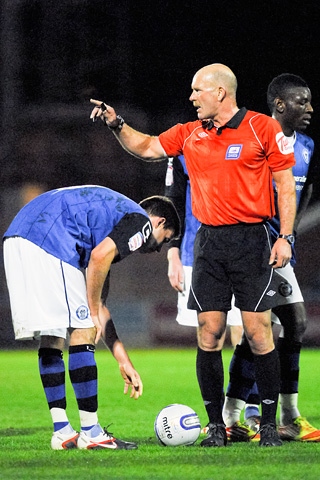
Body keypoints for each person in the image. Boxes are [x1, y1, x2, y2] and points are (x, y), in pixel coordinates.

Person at [89, 63, 297, 447]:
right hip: (209, 244)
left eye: (197, 90)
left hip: (252, 241)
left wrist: (285, 237)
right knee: (209, 333)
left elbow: (285, 186)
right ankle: (216, 425)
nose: (191, 97)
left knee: (258, 332)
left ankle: (268, 424)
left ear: (220, 92)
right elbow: (147, 145)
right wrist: (117, 124)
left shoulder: (262, 128)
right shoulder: (190, 134)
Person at [3, 185, 180, 450]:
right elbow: (98, 260)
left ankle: (62, 431)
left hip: (19, 233)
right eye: (165, 239)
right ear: (159, 222)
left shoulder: (109, 224)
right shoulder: (140, 221)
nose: (158, 249)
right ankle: (92, 432)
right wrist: (92, 312)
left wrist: (123, 361)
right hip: (50, 236)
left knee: (54, 334)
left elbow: (100, 302)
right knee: (83, 329)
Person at [223, 73, 320, 442]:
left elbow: (303, 189)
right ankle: (261, 415)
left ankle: (266, 415)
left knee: (288, 326)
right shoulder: (254, 138)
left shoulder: (307, 145)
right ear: (280, 104)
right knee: (278, 324)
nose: (309, 108)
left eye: (310, 101)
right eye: (301, 101)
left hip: (281, 247)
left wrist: (290, 235)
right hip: (253, 245)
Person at [164, 155, 260, 442]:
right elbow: (173, 201)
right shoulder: (182, 148)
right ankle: (217, 420)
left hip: (241, 247)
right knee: (210, 335)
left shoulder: (242, 137)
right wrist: (172, 252)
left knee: (248, 332)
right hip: (197, 250)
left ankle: (249, 409)